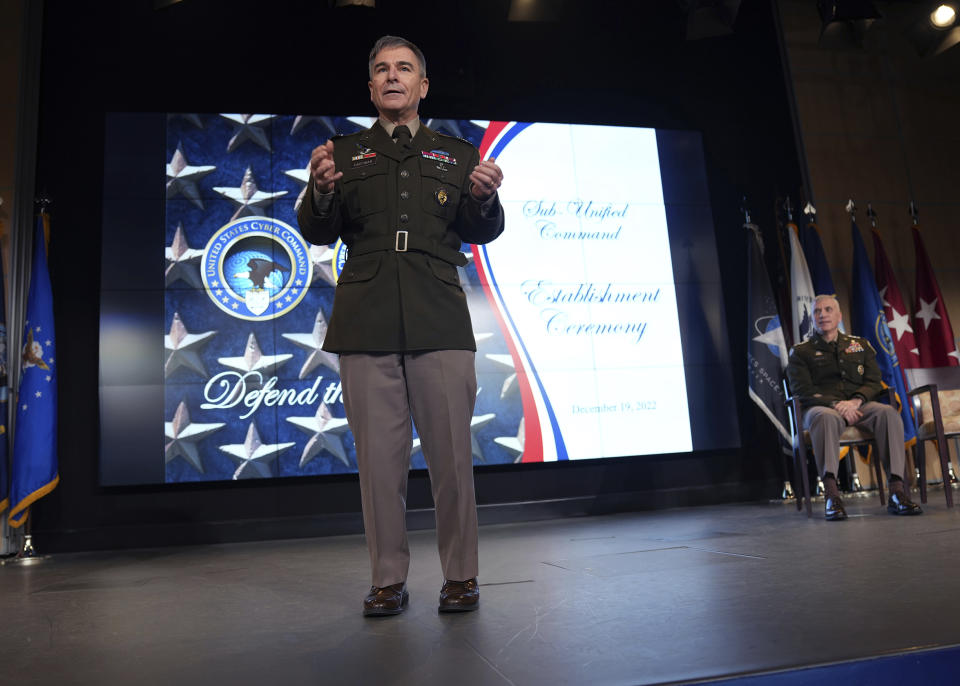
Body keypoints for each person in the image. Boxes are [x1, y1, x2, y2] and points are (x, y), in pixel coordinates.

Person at [298, 35, 505, 615]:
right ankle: (388, 580)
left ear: (422, 86)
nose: (393, 77)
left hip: (438, 318)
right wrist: (318, 191)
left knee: (452, 462)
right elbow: (317, 228)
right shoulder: (340, 152)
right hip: (365, 323)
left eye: (404, 69)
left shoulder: (457, 154)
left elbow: (479, 228)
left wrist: (485, 201)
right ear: (371, 87)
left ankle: (460, 576)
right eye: (382, 70)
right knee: (380, 467)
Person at [786, 294, 922, 520]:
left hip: (859, 406)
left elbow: (873, 380)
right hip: (821, 408)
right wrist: (837, 404)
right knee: (825, 417)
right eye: (817, 311)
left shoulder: (860, 346)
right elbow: (801, 390)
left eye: (828, 310)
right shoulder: (801, 352)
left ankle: (897, 492)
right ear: (812, 318)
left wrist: (856, 401)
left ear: (839, 316)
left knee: (887, 413)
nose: (823, 315)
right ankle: (832, 495)